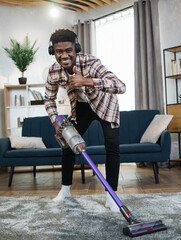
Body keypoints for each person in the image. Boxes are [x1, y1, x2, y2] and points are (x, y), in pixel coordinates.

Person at [44, 29, 126, 212]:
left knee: (112, 147)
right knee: (67, 144)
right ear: (53, 52)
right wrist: (55, 121)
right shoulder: (53, 71)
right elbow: (48, 99)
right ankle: (65, 190)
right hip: (82, 107)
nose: (64, 55)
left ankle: (111, 195)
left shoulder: (91, 62)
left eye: (68, 50)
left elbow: (120, 86)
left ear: (76, 48)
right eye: (59, 51)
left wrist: (88, 81)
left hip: (105, 104)